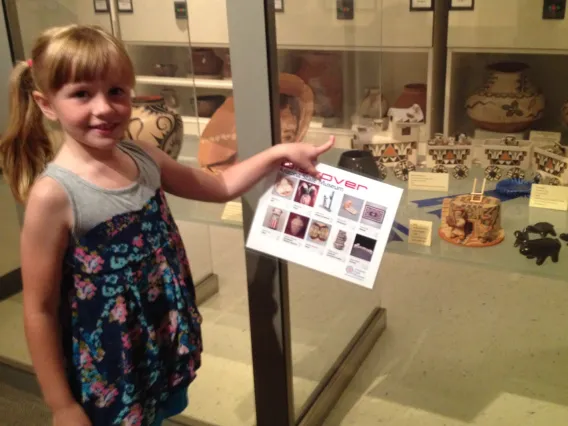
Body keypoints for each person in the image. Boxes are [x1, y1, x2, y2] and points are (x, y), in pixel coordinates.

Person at [0, 24, 333, 426]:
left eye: (117, 91)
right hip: (111, 362)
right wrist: (62, 406)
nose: (104, 108)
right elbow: (38, 309)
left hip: (158, 337)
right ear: (47, 103)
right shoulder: (54, 195)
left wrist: (279, 152)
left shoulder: (141, 155)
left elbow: (220, 184)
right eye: (82, 94)